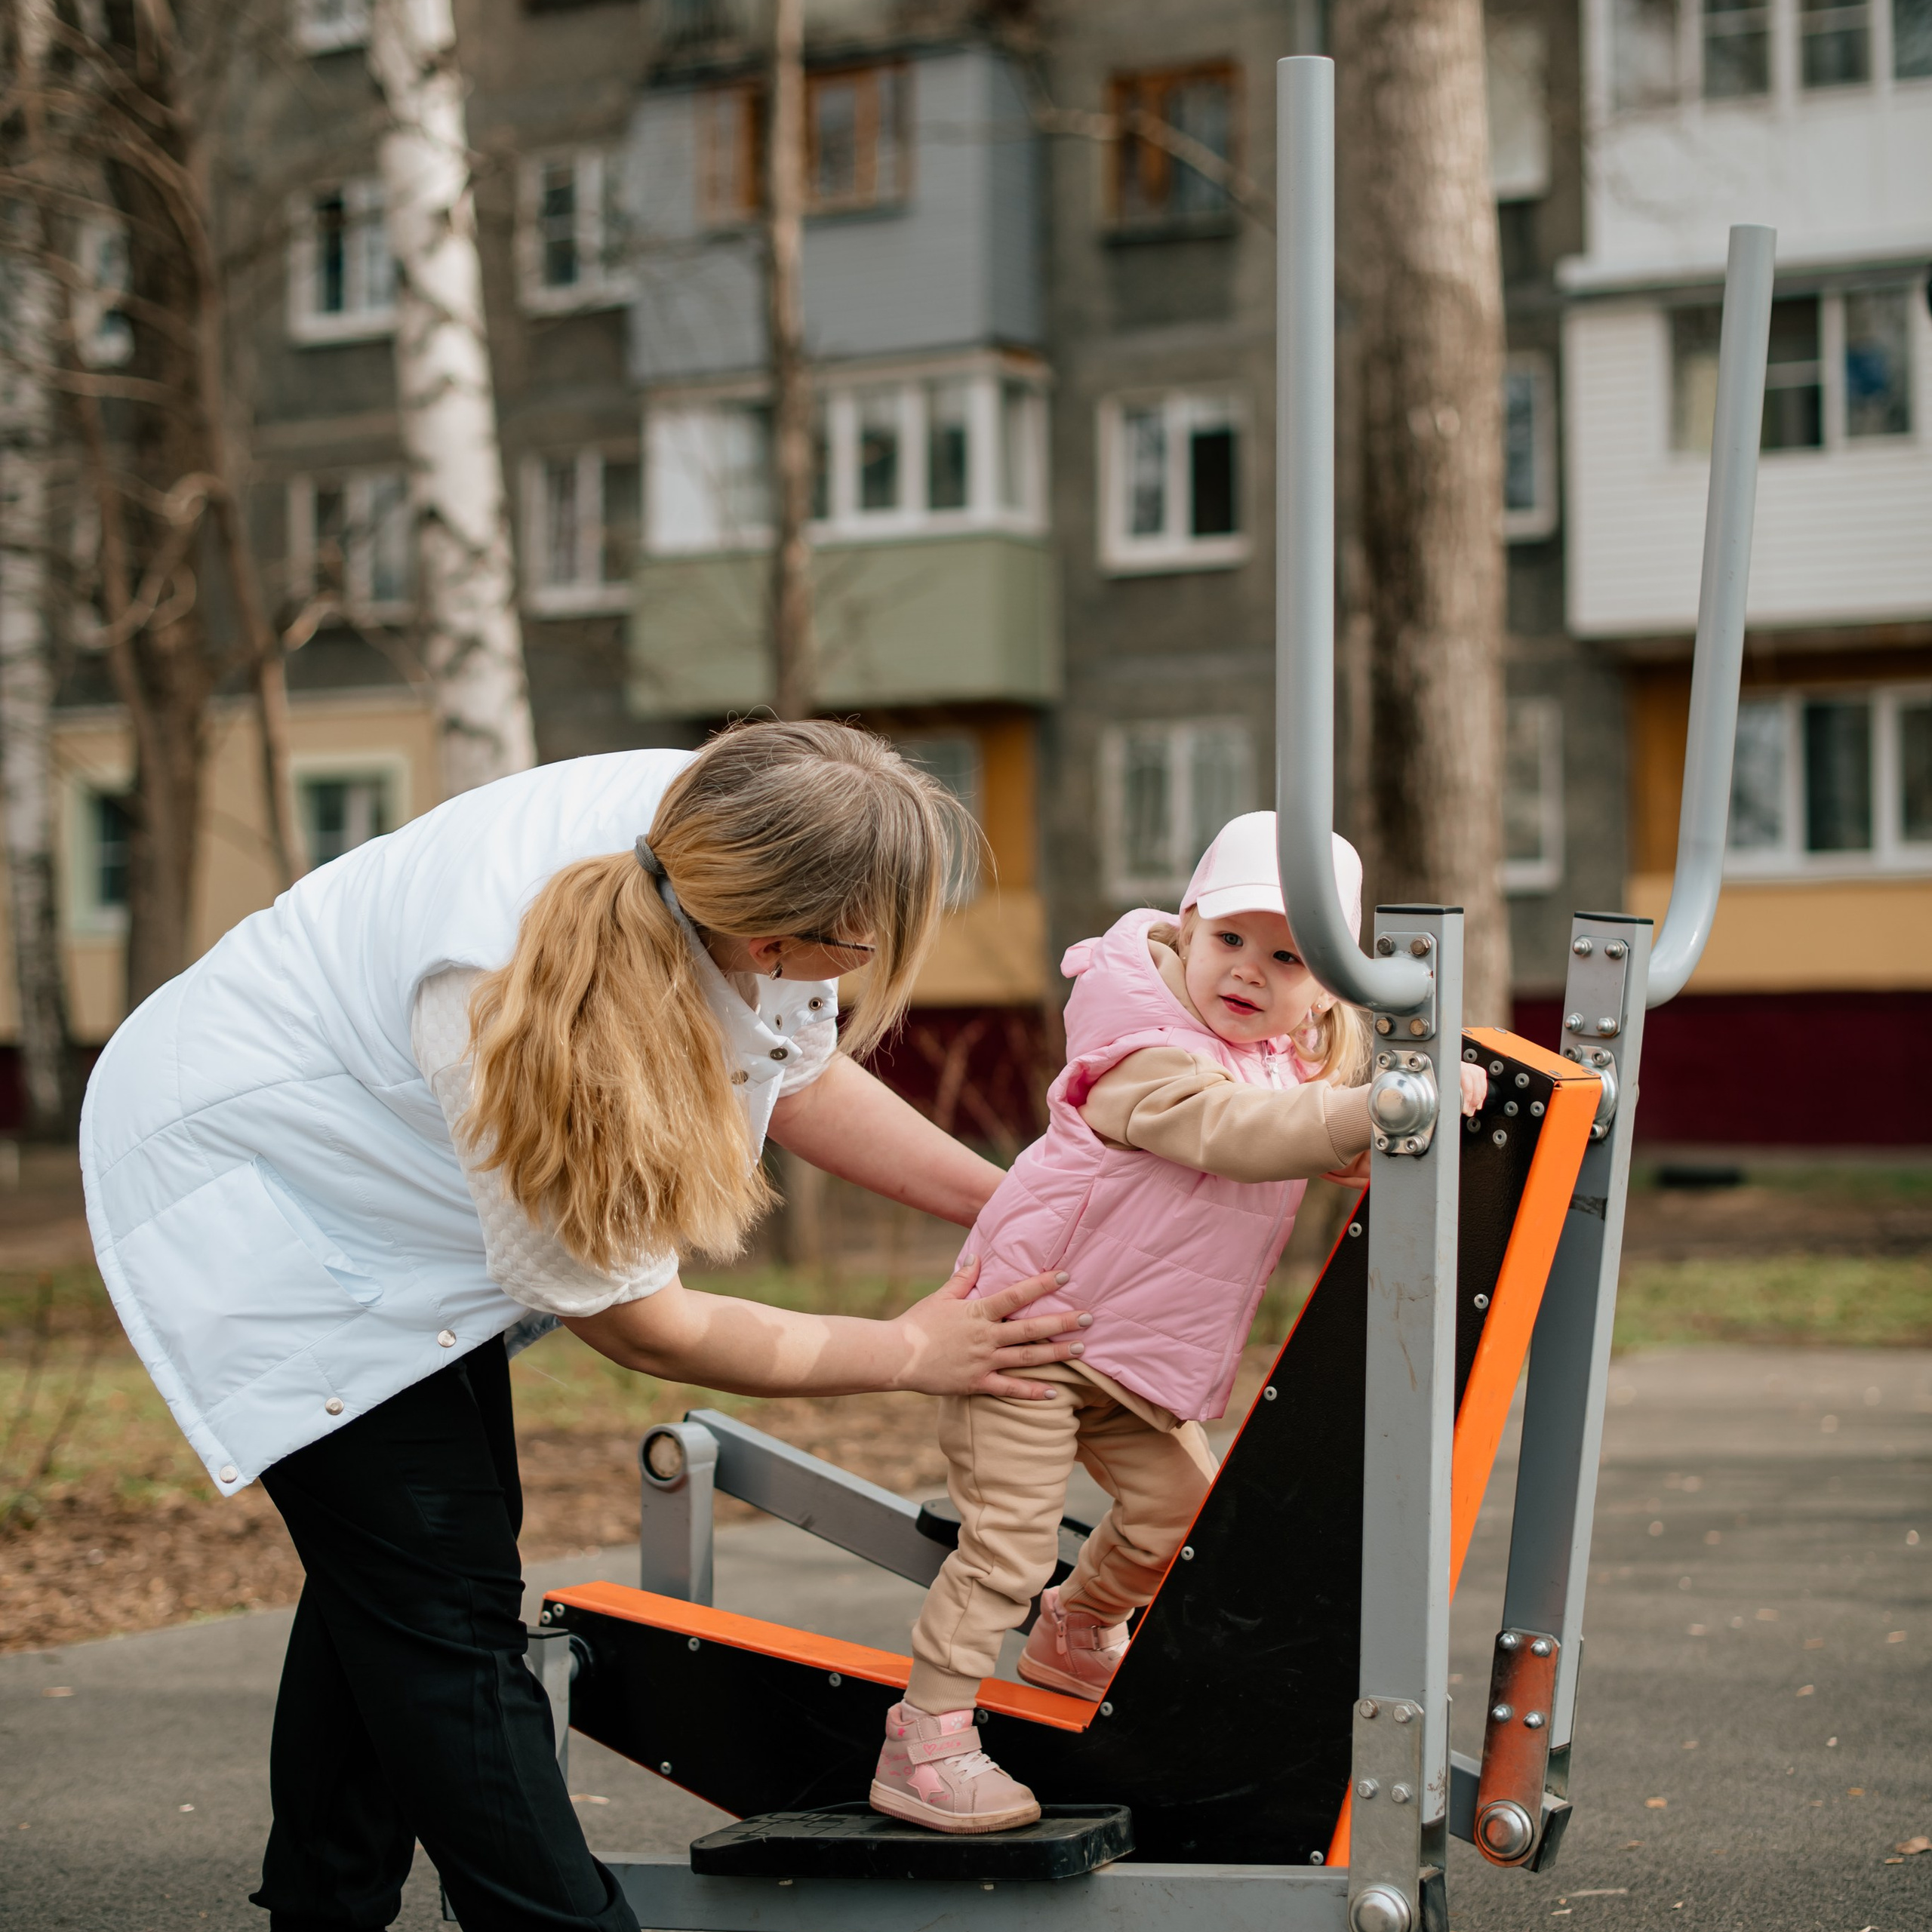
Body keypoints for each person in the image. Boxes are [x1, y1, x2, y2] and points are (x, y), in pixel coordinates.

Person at [80, 721, 1091, 1931]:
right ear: (775, 937)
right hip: (258, 1179)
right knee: (443, 1598)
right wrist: (909, 1351)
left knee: (400, 1566)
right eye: (859, 947)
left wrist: (1017, 1202)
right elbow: (646, 1327)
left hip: (376, 1139)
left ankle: (325, 1900)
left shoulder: (729, 828)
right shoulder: (541, 1015)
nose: (863, 971)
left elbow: (801, 1072)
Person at [868, 811, 1485, 1833]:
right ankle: (925, 1738)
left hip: (1130, 1362)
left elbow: (1309, 1135)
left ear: (1327, 985)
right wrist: (1375, 1108)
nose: (1249, 970)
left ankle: (1078, 1629)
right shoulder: (1139, 1047)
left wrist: (1392, 1130)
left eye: (1289, 957)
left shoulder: (1282, 1064)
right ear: (1186, 928)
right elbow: (1231, 1134)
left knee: (1190, 1522)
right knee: (1010, 1545)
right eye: (1231, 939)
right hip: (1026, 1336)